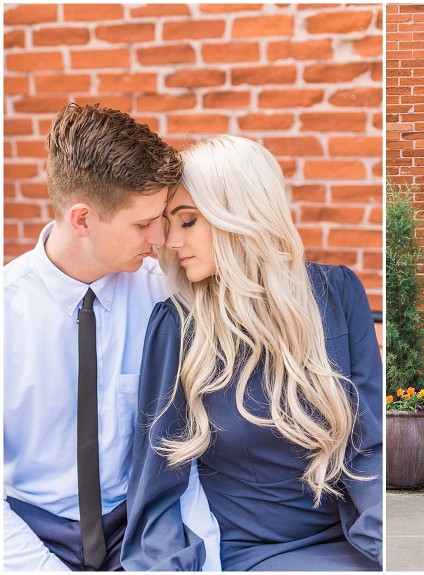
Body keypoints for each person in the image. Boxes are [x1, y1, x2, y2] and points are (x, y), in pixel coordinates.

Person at [121, 135, 383, 571]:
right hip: (259, 554)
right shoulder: (178, 325)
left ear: (238, 216)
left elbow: (368, 447)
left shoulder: (337, 293)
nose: (170, 242)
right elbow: (155, 489)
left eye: (187, 222)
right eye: (169, 224)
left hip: (355, 539)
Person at [4, 103, 220, 571]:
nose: (161, 238)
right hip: (26, 535)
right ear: (82, 220)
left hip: (144, 532)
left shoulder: (165, 297)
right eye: (143, 224)